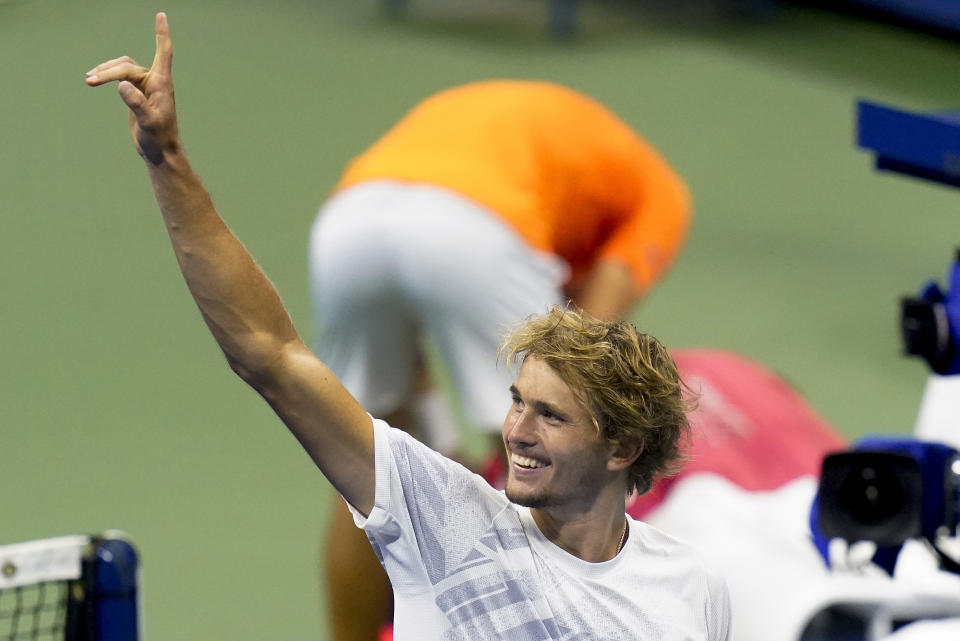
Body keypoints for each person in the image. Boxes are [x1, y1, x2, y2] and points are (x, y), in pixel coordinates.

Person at [84, 13, 730, 641]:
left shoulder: (690, 586)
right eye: (517, 403)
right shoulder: (443, 516)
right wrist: (166, 157)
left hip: (356, 216)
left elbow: (587, 363)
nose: (517, 430)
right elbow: (271, 355)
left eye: (549, 416)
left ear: (624, 446)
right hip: (478, 230)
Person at [308, 78, 692, 640]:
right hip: (477, 228)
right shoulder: (663, 199)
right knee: (554, 461)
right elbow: (585, 349)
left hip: (349, 223)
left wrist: (439, 439)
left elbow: (412, 306)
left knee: (366, 466)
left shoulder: (553, 156)